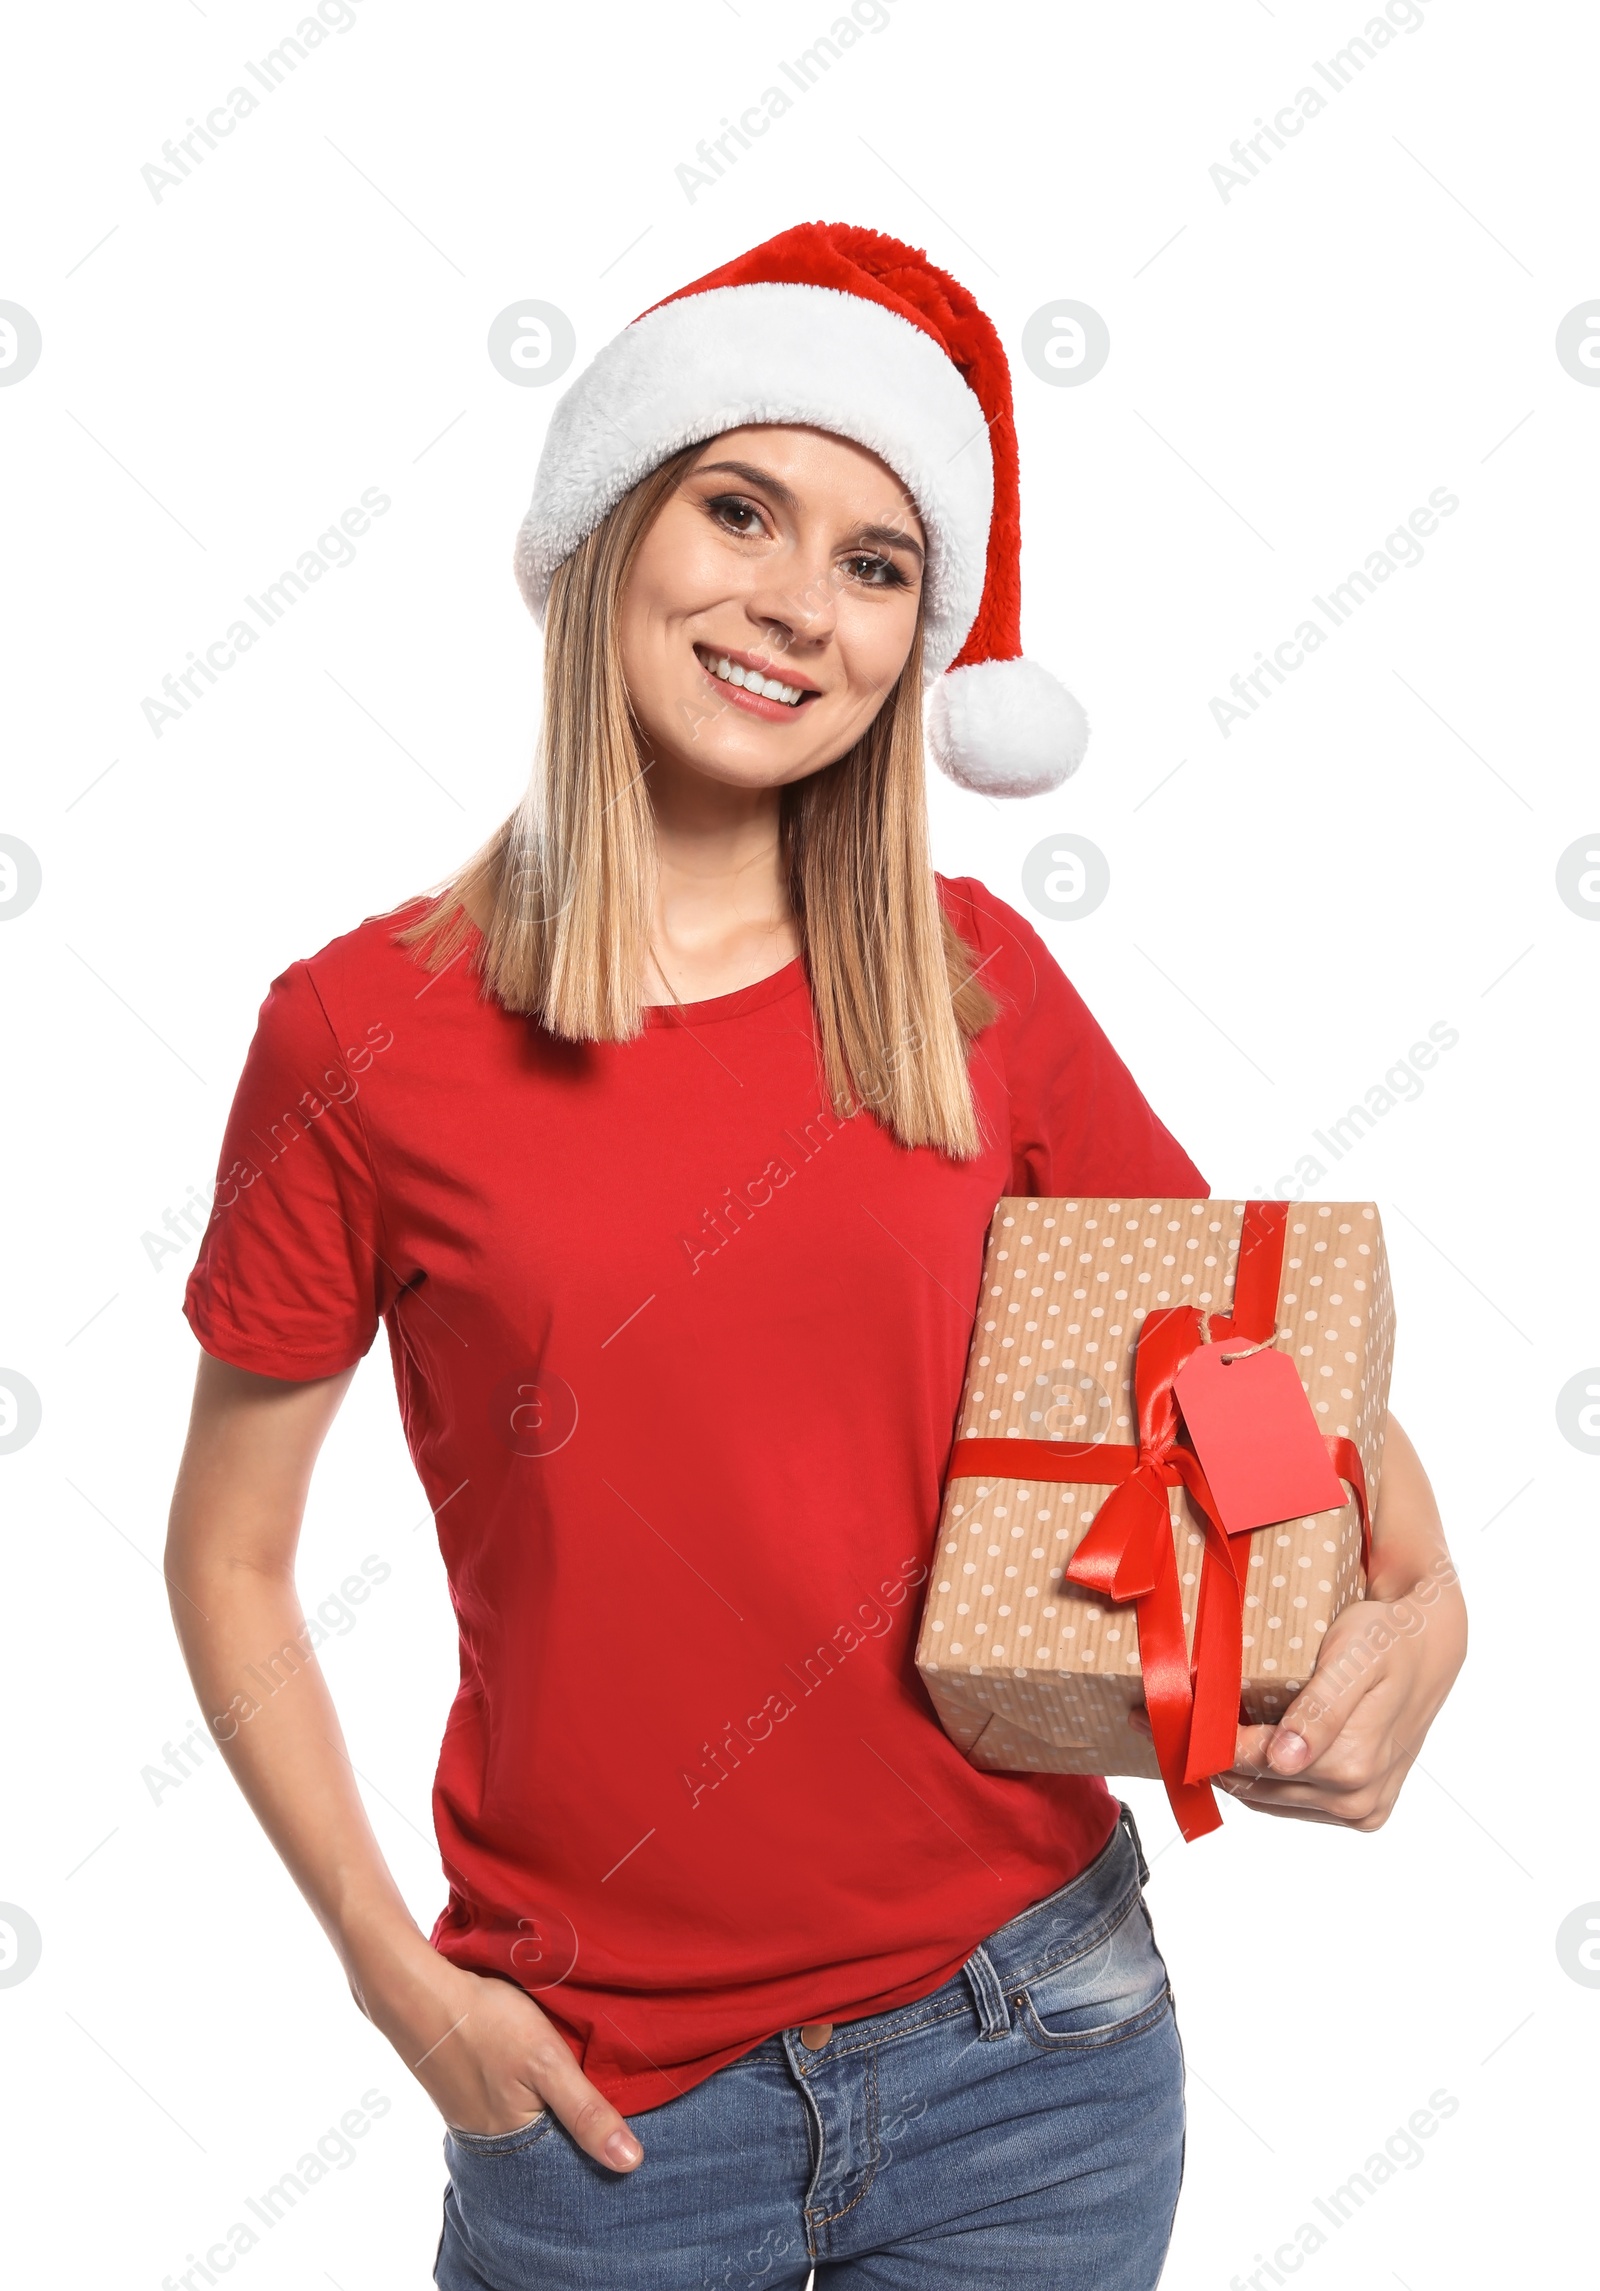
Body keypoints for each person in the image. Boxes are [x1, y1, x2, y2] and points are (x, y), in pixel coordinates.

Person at [165, 223, 1466, 2291]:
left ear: (914, 642)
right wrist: (395, 1987)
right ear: (611, 534)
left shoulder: (970, 986)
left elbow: (1264, 1371)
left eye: (874, 564)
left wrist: (1426, 1602)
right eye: (739, 508)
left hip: (1034, 2049)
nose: (795, 603)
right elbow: (227, 1554)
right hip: (598, 2108)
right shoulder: (357, 1039)